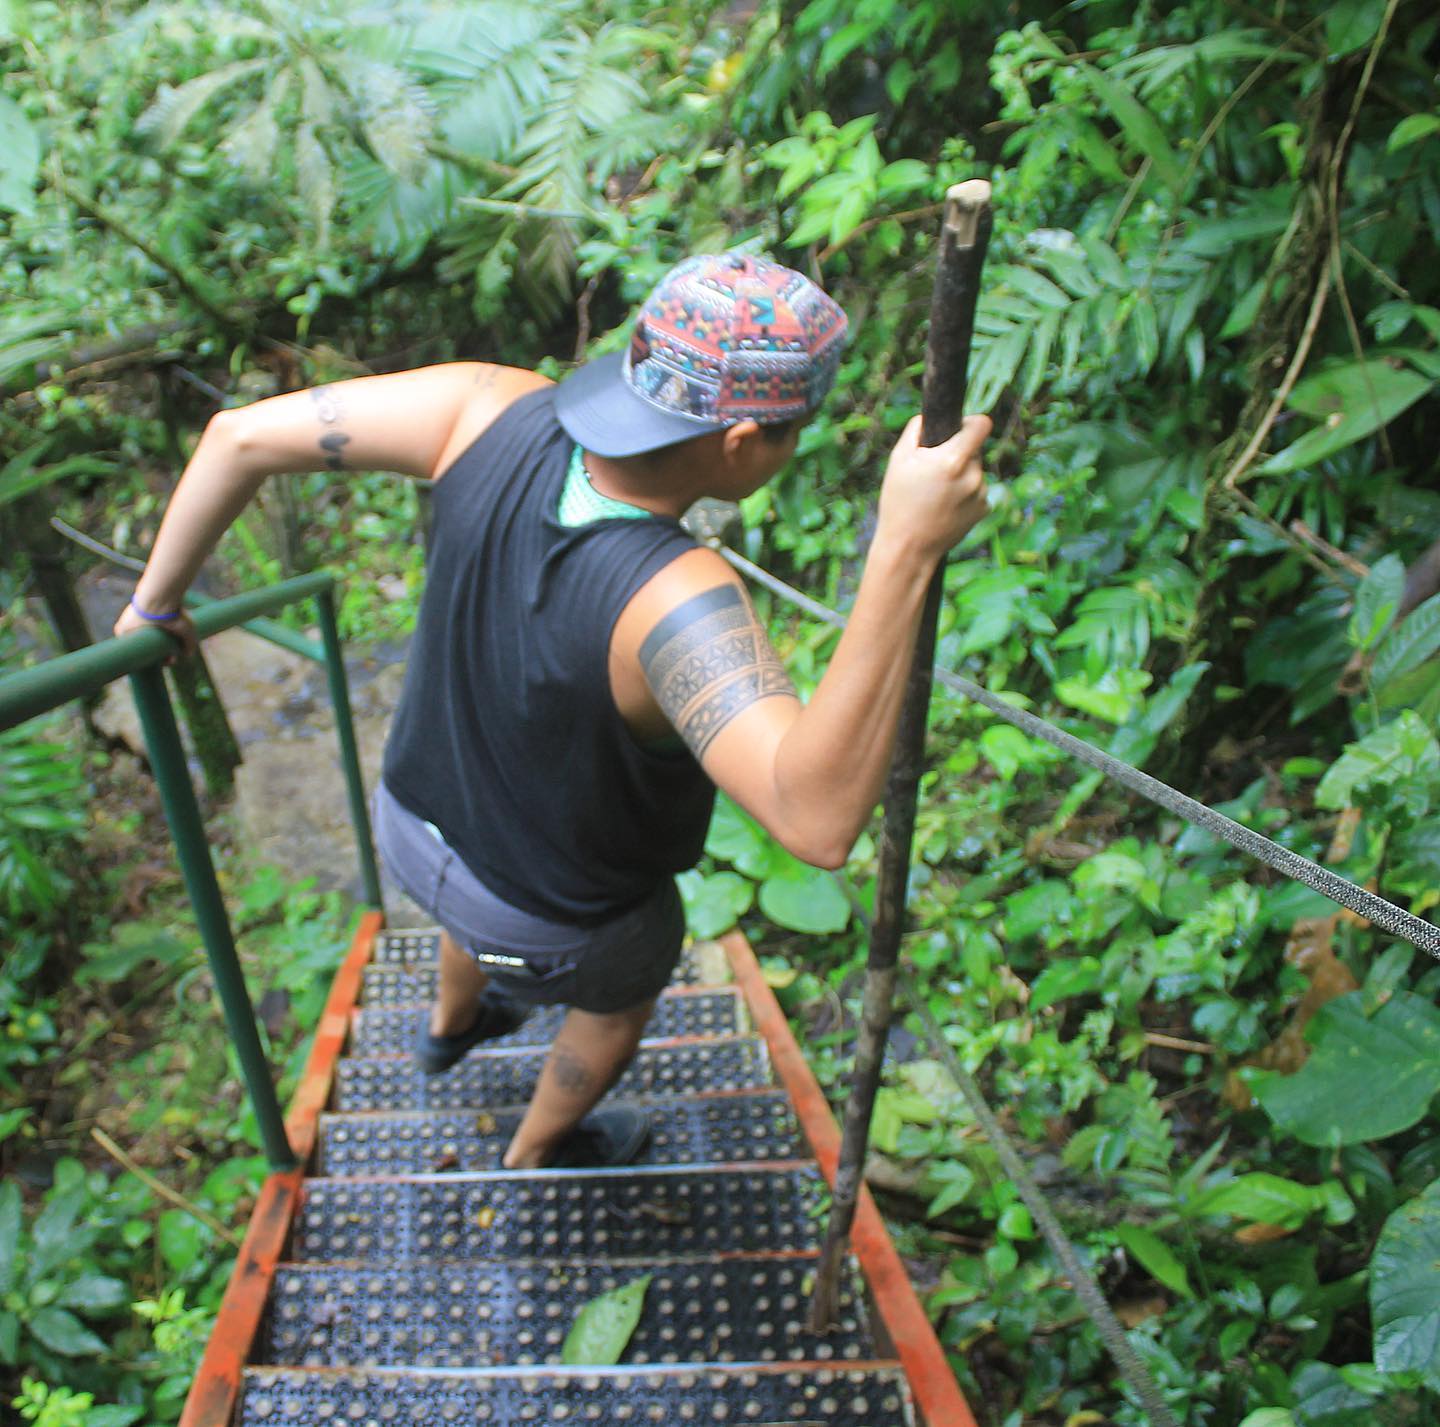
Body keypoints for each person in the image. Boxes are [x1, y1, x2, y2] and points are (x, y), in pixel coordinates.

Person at [114, 252, 991, 1170]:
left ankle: (452, 1025)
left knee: (477, 906)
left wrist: (155, 607)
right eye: (792, 432)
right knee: (625, 990)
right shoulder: (671, 597)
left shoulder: (486, 404)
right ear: (739, 441)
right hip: (554, 920)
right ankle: (538, 1148)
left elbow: (237, 438)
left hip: (413, 829)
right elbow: (815, 818)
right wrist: (903, 548)